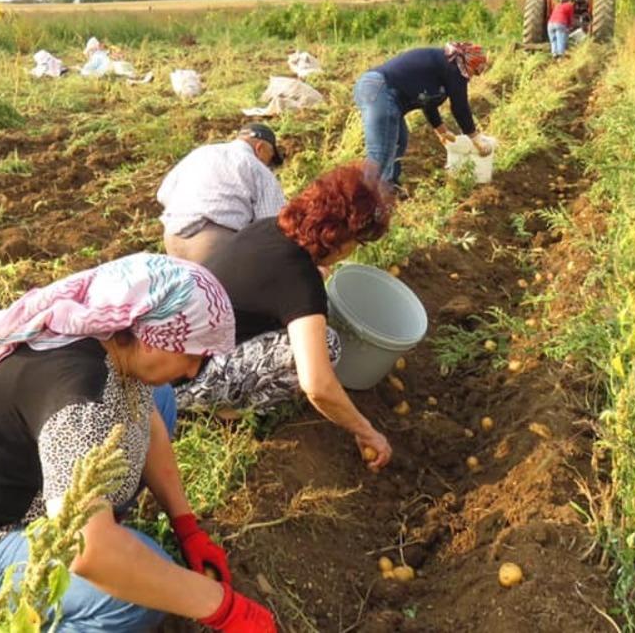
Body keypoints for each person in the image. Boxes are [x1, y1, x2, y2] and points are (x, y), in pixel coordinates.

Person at [0, 253, 275, 632]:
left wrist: (187, 526)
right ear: (152, 338)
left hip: (46, 501)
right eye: (192, 356)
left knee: (161, 397)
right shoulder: (80, 402)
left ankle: (105, 517)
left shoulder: (106, 342)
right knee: (131, 595)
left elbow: (148, 424)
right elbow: (92, 553)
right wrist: (223, 607)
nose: (192, 371)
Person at [178, 162, 397, 473]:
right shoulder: (298, 279)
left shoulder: (268, 228)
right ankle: (221, 411)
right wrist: (366, 430)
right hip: (187, 381)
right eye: (356, 244)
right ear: (338, 238)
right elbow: (318, 385)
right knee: (328, 346)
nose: (352, 251)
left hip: (170, 361)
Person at [351, 42, 491, 189]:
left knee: (399, 141)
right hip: (381, 89)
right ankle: (367, 200)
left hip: (377, 88)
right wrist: (475, 137)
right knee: (381, 153)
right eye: (475, 72)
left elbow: (427, 99)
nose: (471, 77)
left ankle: (388, 188)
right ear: (469, 63)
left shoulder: (444, 64)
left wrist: (440, 130)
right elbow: (460, 107)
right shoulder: (455, 68)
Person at [157, 123, 286, 264]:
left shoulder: (201, 153)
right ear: (259, 148)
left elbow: (163, 194)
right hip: (212, 246)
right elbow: (272, 227)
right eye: (270, 159)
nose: (269, 165)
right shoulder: (257, 168)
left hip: (172, 241)